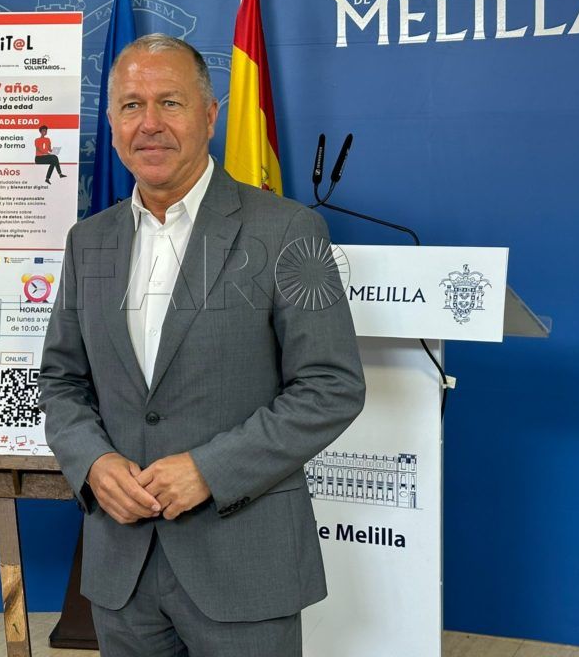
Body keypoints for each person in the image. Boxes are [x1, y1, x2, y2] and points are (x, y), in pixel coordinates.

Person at [39, 34, 365, 656]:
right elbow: (61, 380)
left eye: (170, 102)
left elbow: (331, 386)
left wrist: (209, 470)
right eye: (131, 106)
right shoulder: (88, 242)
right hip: (122, 566)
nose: (150, 124)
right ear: (112, 125)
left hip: (243, 561)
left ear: (210, 116)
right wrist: (94, 463)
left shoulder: (289, 230)